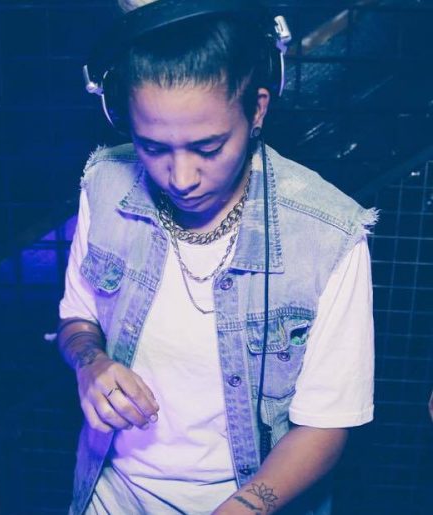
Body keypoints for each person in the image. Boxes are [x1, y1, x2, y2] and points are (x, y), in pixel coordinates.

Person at [56, 1, 376, 513]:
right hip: (109, 495)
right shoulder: (104, 184)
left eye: (207, 148)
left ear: (258, 110)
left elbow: (326, 425)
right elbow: (78, 318)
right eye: (153, 148)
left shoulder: (328, 236)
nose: (181, 178)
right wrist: (89, 363)